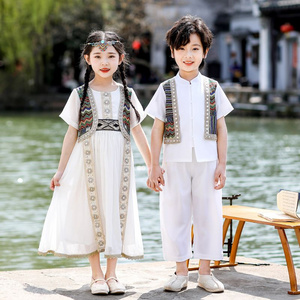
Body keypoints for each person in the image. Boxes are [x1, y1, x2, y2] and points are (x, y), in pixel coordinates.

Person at [38, 30, 151, 295]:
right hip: (86, 160)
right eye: (98, 56)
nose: (104, 61)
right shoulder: (79, 94)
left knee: (115, 211)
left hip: (119, 161)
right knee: (91, 211)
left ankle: (113, 275)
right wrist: (60, 170)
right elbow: (71, 133)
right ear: (87, 59)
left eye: (111, 56)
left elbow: (138, 132)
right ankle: (96, 275)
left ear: (120, 59)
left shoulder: (128, 94)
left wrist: (152, 166)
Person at [146, 15, 233, 293]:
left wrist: (222, 164)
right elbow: (156, 130)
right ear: (172, 52)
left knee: (209, 215)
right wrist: (154, 166)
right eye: (181, 49)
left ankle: (205, 273)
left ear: (205, 52)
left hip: (208, 162)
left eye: (194, 48)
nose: (188, 55)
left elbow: (222, 128)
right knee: (175, 215)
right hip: (174, 162)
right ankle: (180, 272)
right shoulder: (165, 89)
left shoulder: (213, 87)